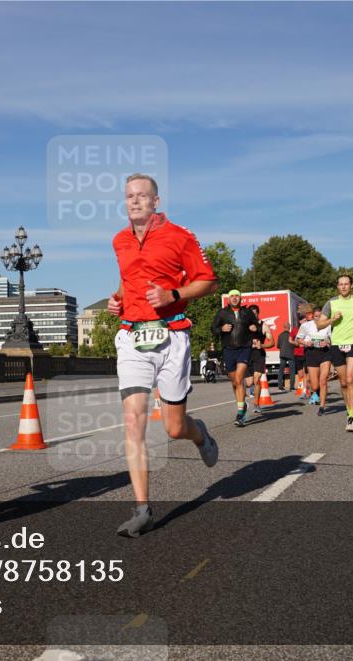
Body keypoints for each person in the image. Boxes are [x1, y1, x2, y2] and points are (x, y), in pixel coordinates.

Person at [108, 173, 219, 538]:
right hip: (132, 336)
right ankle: (142, 510)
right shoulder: (120, 240)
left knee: (173, 428)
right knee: (133, 422)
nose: (134, 201)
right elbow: (128, 278)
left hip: (171, 334)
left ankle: (199, 435)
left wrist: (174, 294)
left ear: (156, 201)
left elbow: (208, 281)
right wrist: (117, 299)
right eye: (129, 196)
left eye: (142, 195)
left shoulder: (180, 236)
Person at [317, 275, 353, 432]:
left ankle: (352, 416)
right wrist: (332, 320)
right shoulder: (331, 303)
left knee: (350, 378)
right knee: (343, 382)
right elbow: (319, 325)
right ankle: (349, 410)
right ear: (337, 286)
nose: (344, 286)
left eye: (346, 284)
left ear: (351, 286)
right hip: (337, 344)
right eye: (341, 284)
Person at [211, 289, 259, 427]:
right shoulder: (222, 313)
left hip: (244, 348)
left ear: (240, 298)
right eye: (232, 296)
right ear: (229, 299)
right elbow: (213, 329)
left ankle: (240, 413)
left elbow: (257, 326)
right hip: (228, 349)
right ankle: (242, 404)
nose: (234, 298)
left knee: (238, 379)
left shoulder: (247, 312)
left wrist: (255, 328)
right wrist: (221, 329)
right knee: (234, 382)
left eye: (237, 296)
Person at [297, 305, 331, 415]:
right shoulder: (306, 325)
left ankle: (322, 406)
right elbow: (298, 339)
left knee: (323, 381)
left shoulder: (328, 325)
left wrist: (327, 342)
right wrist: (306, 342)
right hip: (311, 353)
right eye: (316, 316)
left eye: (320, 316)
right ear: (312, 316)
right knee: (315, 385)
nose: (318, 318)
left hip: (325, 353)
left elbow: (333, 339)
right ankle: (317, 392)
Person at [248, 304, 275, 414]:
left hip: (259, 355)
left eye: (255, 314)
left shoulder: (263, 326)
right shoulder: (244, 325)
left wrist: (262, 345)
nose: (253, 316)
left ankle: (256, 404)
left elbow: (272, 342)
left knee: (256, 380)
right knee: (249, 383)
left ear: (258, 314)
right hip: (246, 354)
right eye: (251, 314)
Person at [276, 321, 297, 392]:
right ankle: (291, 387)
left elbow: (278, 346)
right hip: (290, 354)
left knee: (281, 370)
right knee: (292, 370)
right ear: (289, 327)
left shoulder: (280, 335)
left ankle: (280, 387)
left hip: (282, 354)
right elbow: (294, 344)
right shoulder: (291, 335)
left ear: (284, 327)